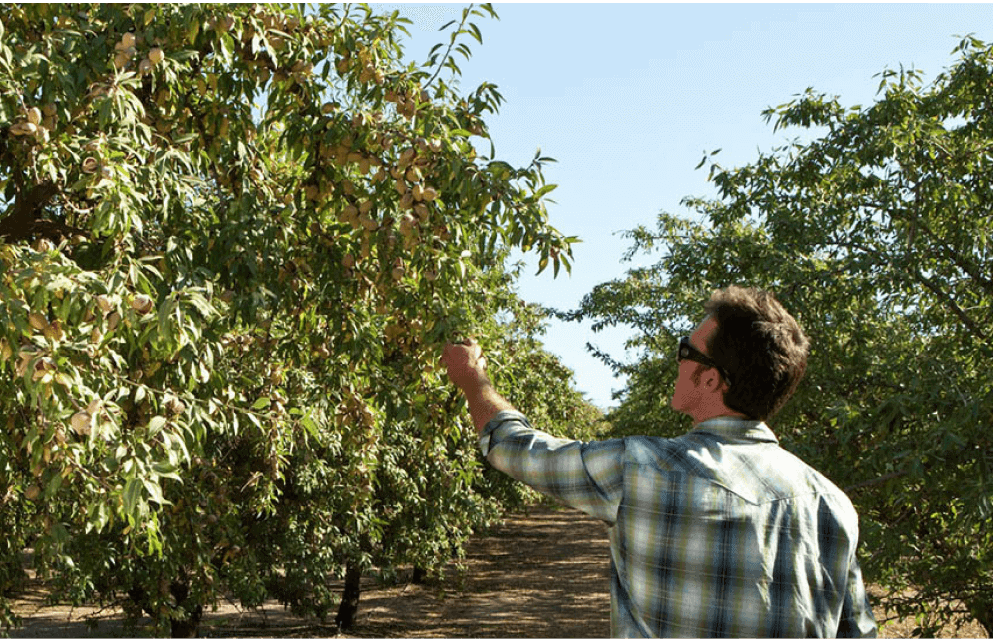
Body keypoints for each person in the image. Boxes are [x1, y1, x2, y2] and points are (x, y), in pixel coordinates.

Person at [442, 285, 877, 639]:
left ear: (710, 379)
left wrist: (472, 380)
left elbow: (515, 448)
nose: (678, 361)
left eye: (685, 351)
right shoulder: (832, 505)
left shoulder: (644, 469)